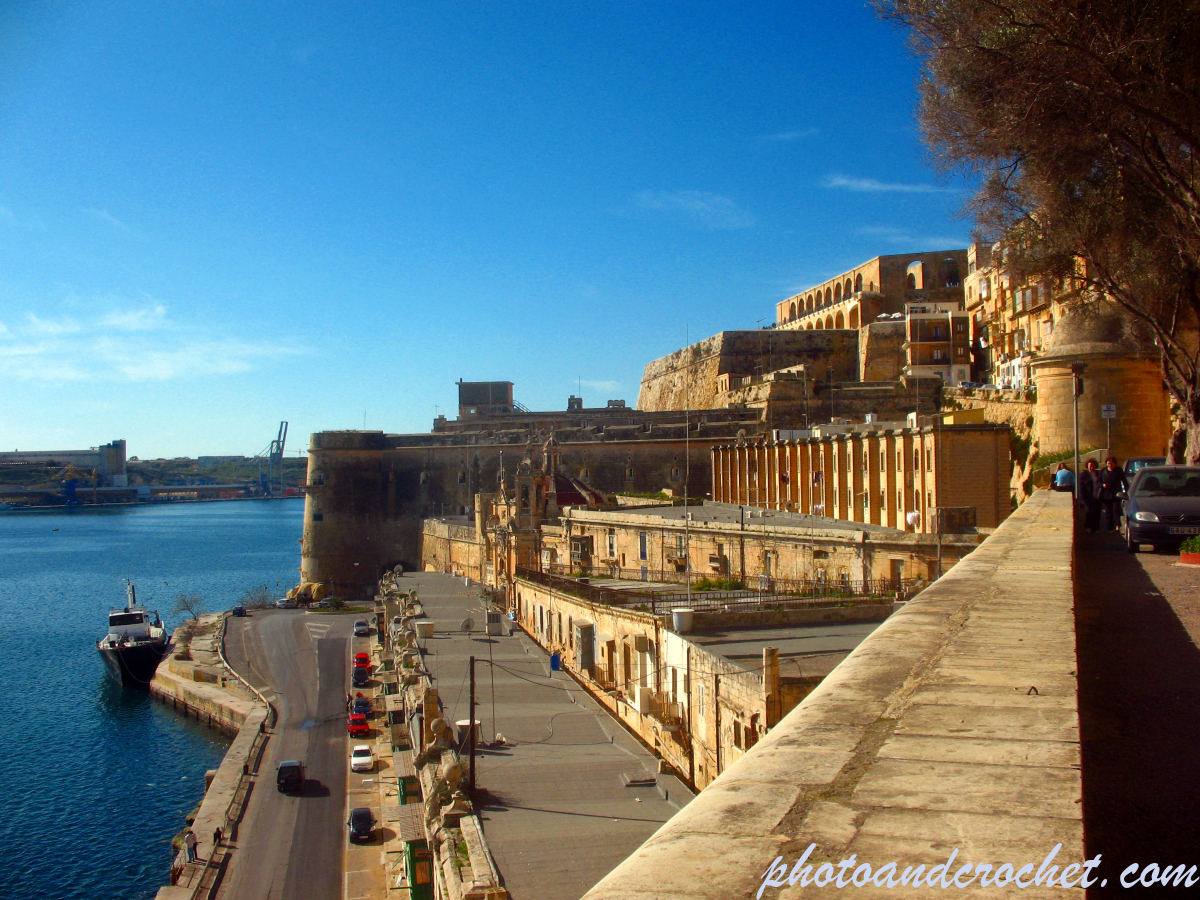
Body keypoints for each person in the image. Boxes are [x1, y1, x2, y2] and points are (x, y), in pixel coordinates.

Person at [1097, 456, 1129, 532]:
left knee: (1116, 510)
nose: (1110, 465)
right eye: (1108, 463)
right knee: (1108, 511)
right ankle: (1110, 527)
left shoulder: (1119, 471)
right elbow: (1098, 482)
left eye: (1111, 463)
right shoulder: (1103, 471)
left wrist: (1127, 492)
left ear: (1115, 464)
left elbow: (1124, 482)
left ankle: (1117, 525)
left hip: (1116, 494)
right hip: (1106, 494)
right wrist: (1103, 485)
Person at [1079, 459, 1102, 532]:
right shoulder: (1084, 474)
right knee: (1089, 512)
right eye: (1090, 466)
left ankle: (1096, 528)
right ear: (1087, 466)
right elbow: (1081, 487)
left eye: (1093, 466)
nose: (1091, 467)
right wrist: (1083, 498)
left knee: (1097, 512)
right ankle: (1088, 527)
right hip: (1088, 497)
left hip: (1097, 496)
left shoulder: (1098, 474)